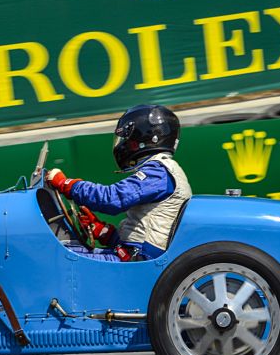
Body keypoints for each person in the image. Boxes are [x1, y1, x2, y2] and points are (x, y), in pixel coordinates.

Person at [46, 104, 192, 261]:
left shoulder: (159, 172)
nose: (124, 143)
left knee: (56, 257)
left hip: (138, 261)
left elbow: (112, 199)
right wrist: (103, 232)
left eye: (128, 138)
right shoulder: (161, 171)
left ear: (144, 138)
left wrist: (67, 184)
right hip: (135, 256)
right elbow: (139, 234)